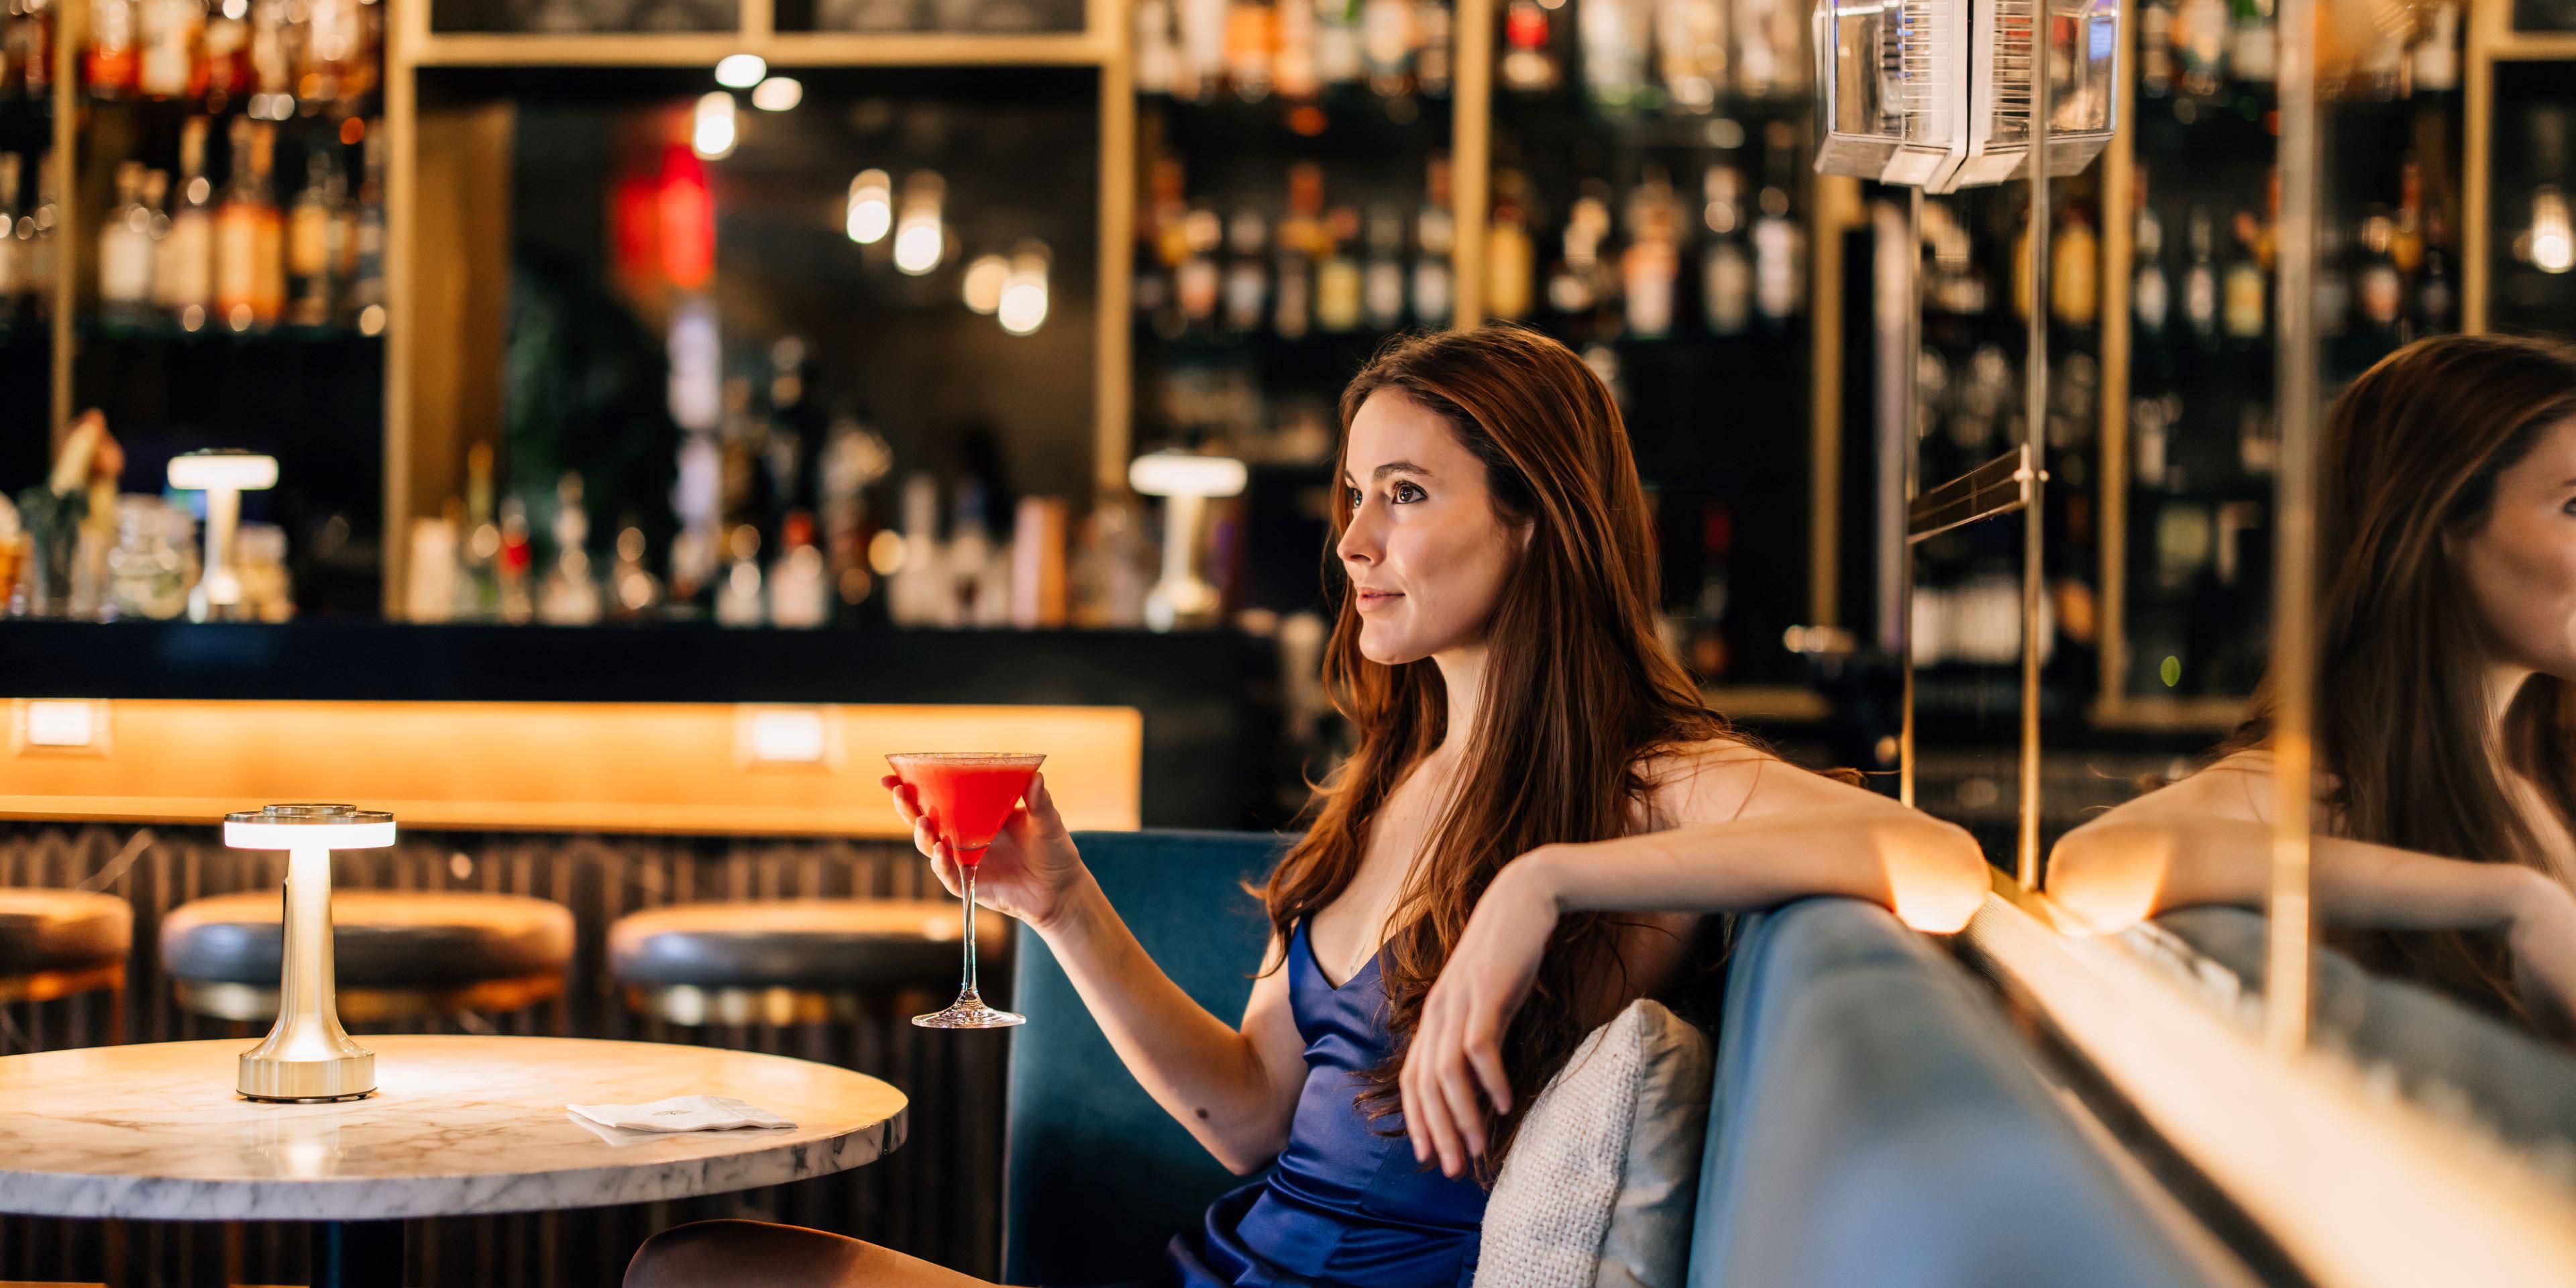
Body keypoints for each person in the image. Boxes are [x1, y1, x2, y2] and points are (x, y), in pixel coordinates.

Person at [624, 325, 1990, 1288]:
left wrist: (1544, 884)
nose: (1352, 545)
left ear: (1537, 522)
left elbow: (1940, 865)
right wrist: (1059, 902)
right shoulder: (1387, 774)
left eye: (1405, 495)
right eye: (1354, 495)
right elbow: (1252, 1117)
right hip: (1221, 1267)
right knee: (693, 1260)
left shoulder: (1642, 788)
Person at [2050, 333, 2576, 1036]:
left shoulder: (2544, 772)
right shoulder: (2325, 789)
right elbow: (2092, 868)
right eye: (2575, 507)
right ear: (2436, 524)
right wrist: (2511, 901)